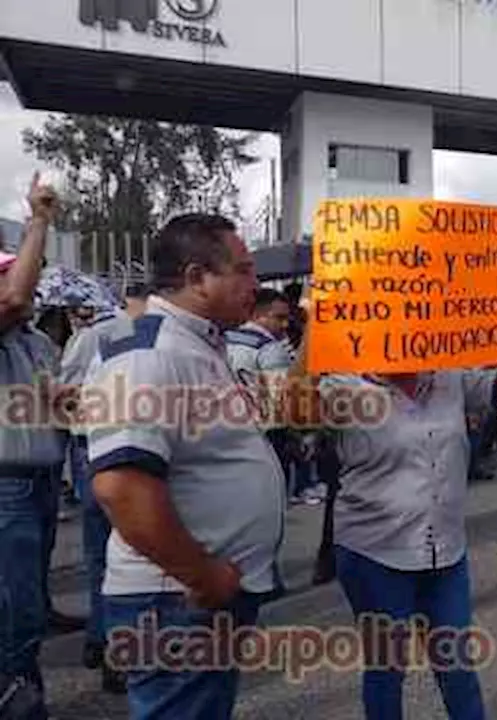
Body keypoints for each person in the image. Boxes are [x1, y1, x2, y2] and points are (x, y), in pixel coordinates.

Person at [87, 213, 287, 720]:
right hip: (176, 602)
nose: (255, 284)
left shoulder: (199, 343)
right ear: (197, 277)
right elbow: (120, 486)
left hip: (193, 600)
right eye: (242, 270)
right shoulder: (149, 353)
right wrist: (203, 576)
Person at [288, 310, 497, 720]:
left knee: (456, 666)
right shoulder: (346, 385)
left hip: (445, 552)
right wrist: (319, 328)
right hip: (374, 553)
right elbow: (293, 412)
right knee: (387, 668)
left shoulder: (450, 378)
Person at [58, 281, 150, 694]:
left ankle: (103, 638)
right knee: (124, 555)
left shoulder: (104, 337)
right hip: (115, 452)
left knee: (103, 554)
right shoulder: (119, 337)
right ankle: (114, 646)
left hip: (95, 446)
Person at [0, 174, 66, 720]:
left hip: (42, 484)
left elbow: (54, 402)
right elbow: (16, 297)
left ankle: (25, 691)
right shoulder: (8, 319)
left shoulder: (40, 341)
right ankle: (18, 701)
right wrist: (39, 219)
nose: (24, 283)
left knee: (27, 606)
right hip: (7, 488)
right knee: (14, 608)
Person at [225, 288, 302, 500]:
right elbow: (282, 397)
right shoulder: (269, 348)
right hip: (267, 434)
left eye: (287, 318)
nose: (285, 325)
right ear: (258, 315)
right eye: (279, 318)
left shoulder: (224, 340)